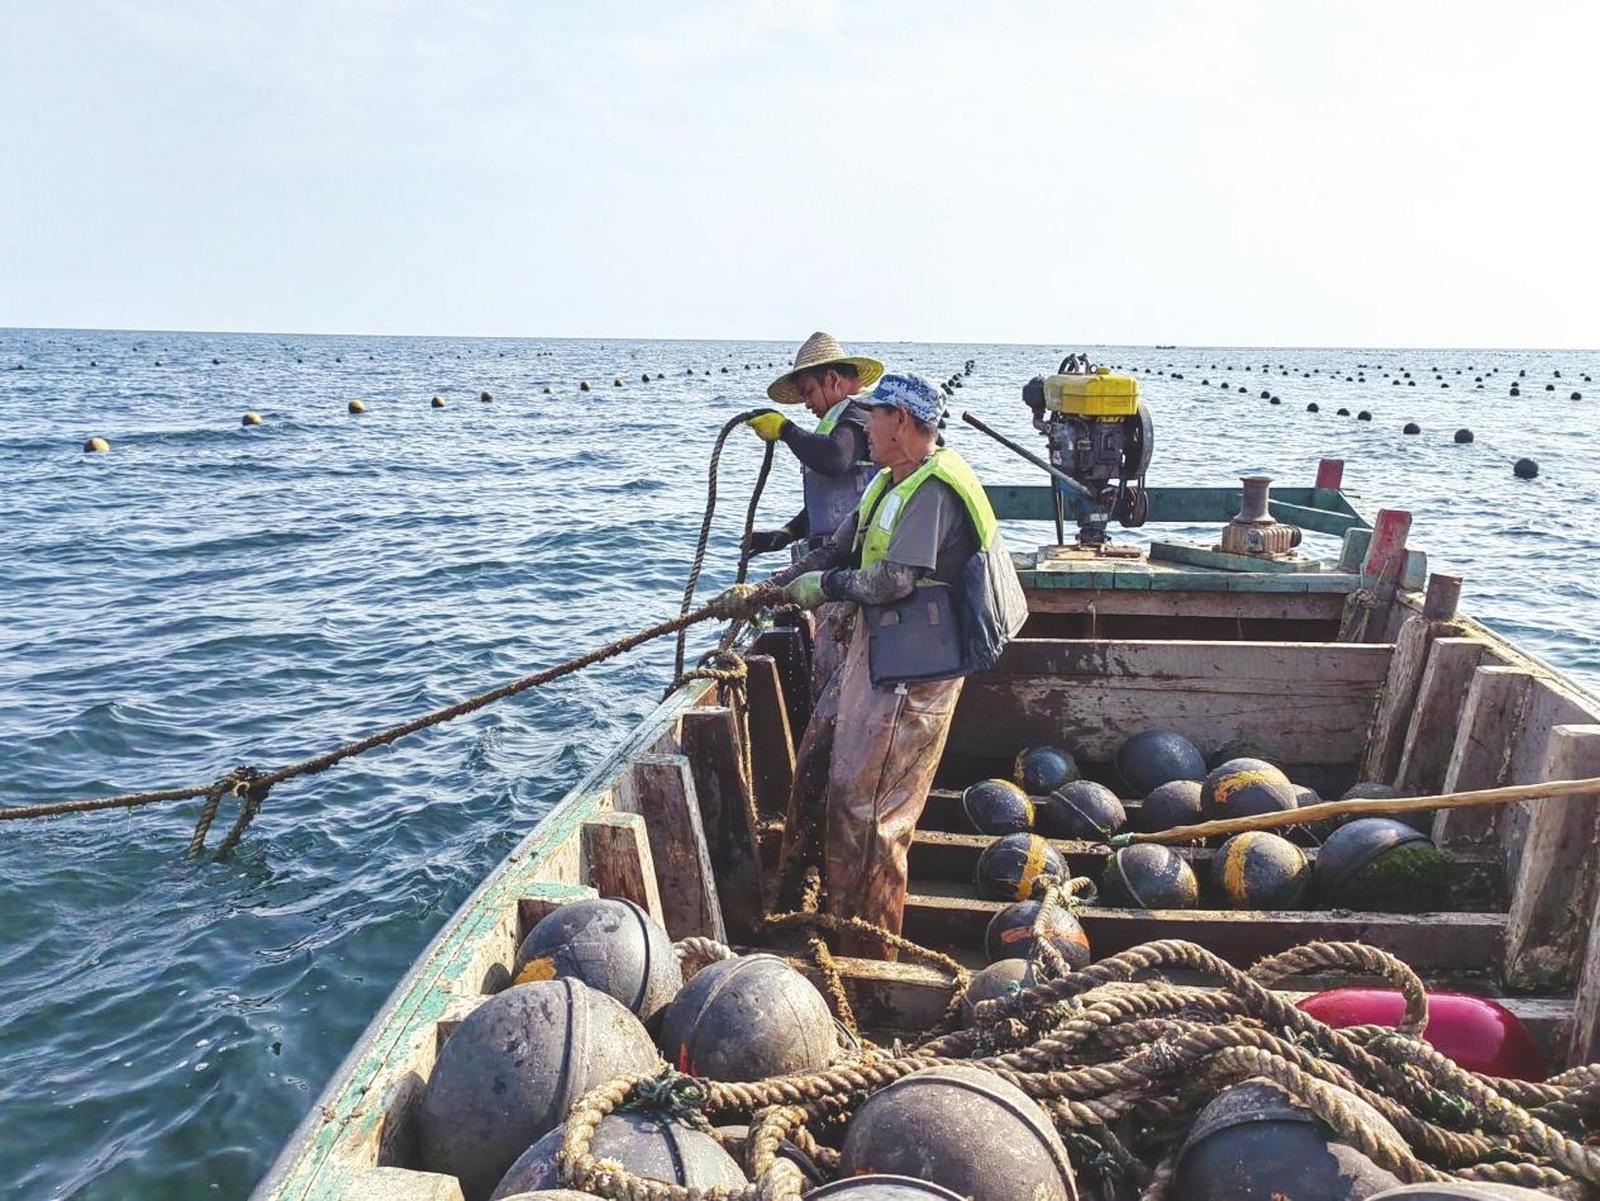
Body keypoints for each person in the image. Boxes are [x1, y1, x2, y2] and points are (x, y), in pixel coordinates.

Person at [716, 373, 1028, 957]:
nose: (867, 424)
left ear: (903, 425)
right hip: (881, 650)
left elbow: (890, 580)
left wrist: (824, 585)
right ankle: (802, 904)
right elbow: (837, 545)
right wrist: (769, 590)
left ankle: (869, 947)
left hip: (917, 669)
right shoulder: (891, 479)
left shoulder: (932, 489)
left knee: (871, 809)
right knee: (821, 762)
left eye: (877, 416)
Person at [742, 332, 883, 699]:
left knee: (841, 672)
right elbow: (831, 497)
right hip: (833, 560)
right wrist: (787, 533)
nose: (806, 404)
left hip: (851, 565)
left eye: (808, 392)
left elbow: (834, 460)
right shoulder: (837, 423)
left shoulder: (856, 416)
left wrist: (786, 430)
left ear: (832, 381)